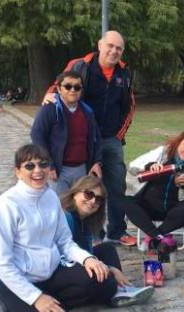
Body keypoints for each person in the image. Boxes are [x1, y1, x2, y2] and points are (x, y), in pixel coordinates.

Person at [0, 144, 129, 312]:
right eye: (29, 166)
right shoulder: (6, 205)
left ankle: (49, 302)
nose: (37, 170)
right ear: (18, 172)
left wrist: (88, 258)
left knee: (106, 283)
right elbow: (0, 263)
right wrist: (36, 298)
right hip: (18, 280)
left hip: (51, 274)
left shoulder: (50, 198)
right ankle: (9, 309)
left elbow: (65, 242)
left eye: (43, 164)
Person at [43, 30, 136, 246]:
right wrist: (48, 94)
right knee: (85, 187)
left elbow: (129, 106)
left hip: (110, 139)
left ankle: (117, 230)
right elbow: (61, 84)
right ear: (100, 45)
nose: (114, 51)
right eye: (110, 46)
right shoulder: (80, 65)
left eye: (119, 48)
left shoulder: (124, 74)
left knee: (116, 184)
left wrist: (118, 134)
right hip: (82, 138)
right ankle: (88, 233)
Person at [61, 175, 154, 306]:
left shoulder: (87, 221)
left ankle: (120, 289)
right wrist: (109, 269)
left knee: (107, 248)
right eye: (88, 194)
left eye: (99, 199)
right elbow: (65, 255)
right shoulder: (66, 217)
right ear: (75, 193)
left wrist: (110, 268)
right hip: (63, 268)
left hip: (79, 261)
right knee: (107, 279)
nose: (93, 201)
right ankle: (114, 290)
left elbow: (88, 252)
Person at [124, 128, 184, 255]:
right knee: (126, 202)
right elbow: (133, 167)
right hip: (148, 206)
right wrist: (150, 167)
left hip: (172, 211)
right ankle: (157, 237)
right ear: (179, 142)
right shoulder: (163, 152)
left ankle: (153, 237)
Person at [31, 71, 102, 194]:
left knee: (81, 208)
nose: (72, 90)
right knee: (60, 208)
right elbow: (37, 136)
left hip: (82, 169)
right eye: (68, 86)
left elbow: (96, 139)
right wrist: (48, 165)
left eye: (77, 87)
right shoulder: (50, 109)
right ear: (59, 89)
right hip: (59, 170)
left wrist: (96, 162)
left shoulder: (87, 112)